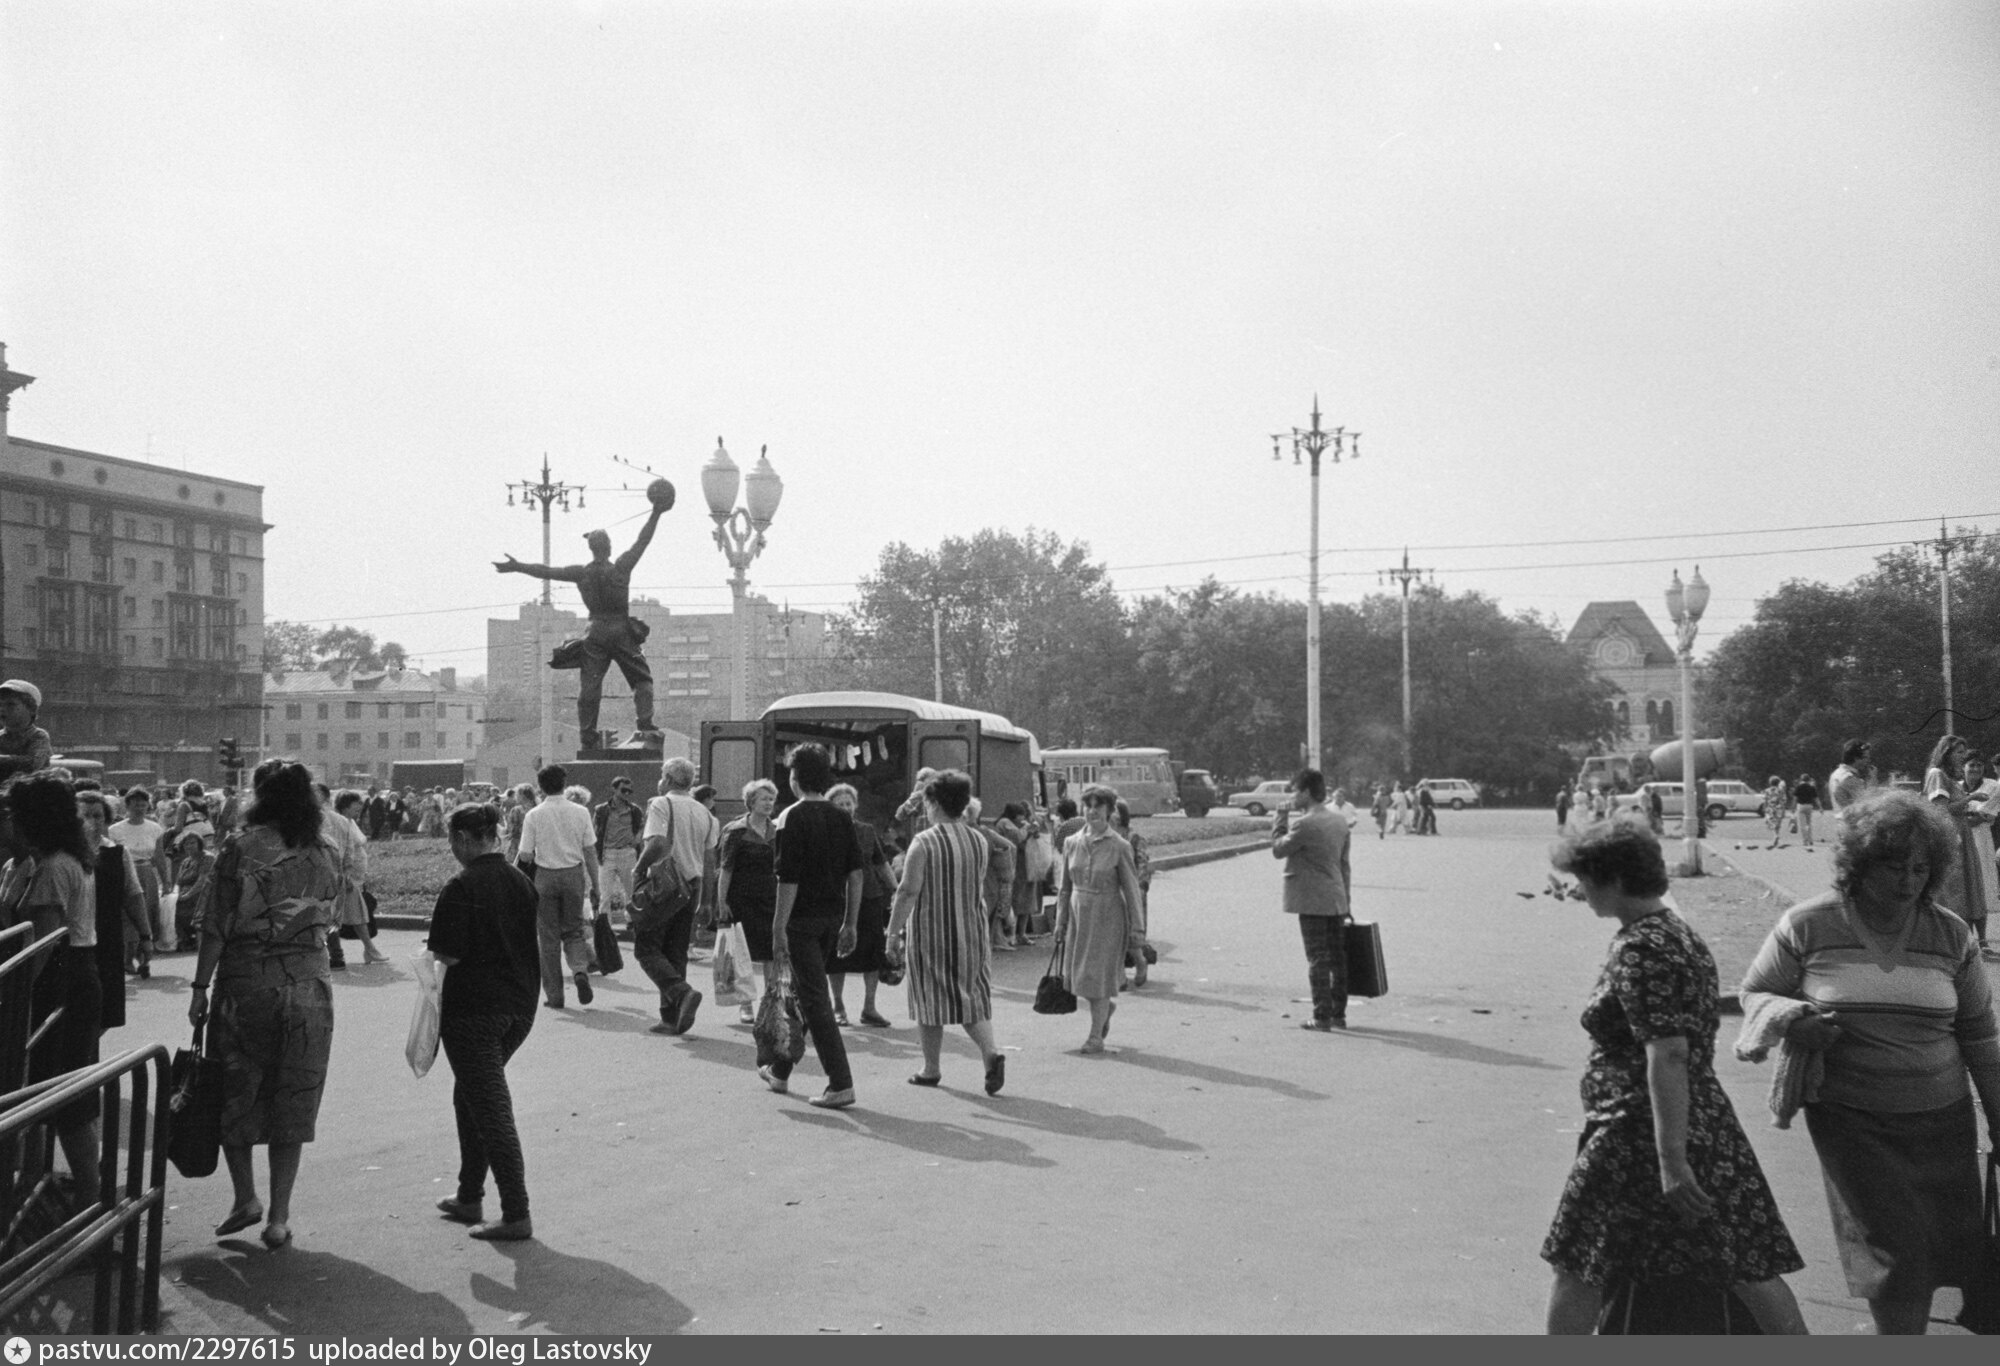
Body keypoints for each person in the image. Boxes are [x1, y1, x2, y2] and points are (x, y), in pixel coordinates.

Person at [1739, 789, 2000, 1333]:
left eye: (1920, 869)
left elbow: (1980, 1037)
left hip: (1942, 1124)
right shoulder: (1808, 924)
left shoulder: (1951, 934)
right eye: (1893, 866)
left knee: (1934, 1254)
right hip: (1852, 1123)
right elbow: (1756, 991)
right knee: (1895, 1253)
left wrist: (1999, 1119)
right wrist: (1792, 1018)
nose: (1908, 882)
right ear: (1859, 862)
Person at [1541, 819, 1808, 1334]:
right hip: (1695, 1123)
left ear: (1615, 879)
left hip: (1634, 1131)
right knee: (1743, 1261)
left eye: (1586, 878)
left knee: (1578, 1259)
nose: (1580, 890)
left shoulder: (1642, 948)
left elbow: (1668, 1053)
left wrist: (1671, 1159)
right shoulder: (1675, 934)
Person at [187, 759, 342, 1250]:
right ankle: (279, 1217)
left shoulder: (240, 847)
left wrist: (199, 988)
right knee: (293, 1097)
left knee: (236, 1089)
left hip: (246, 986)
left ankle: (244, 1198)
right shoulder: (327, 850)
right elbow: (332, 916)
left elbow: (215, 926)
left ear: (259, 796)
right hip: (311, 989)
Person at [429, 802, 541, 1242]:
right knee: (471, 1096)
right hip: (520, 1008)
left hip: (474, 1011)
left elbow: (448, 954)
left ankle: (516, 1212)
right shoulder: (521, 881)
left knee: (491, 1109)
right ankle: (469, 1194)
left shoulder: (461, 886)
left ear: (461, 838)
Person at [0, 776, 105, 1208]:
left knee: (65, 1098)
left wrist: (13, 997)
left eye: (13, 813)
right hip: (76, 975)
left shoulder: (53, 868)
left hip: (61, 981)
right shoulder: (61, 860)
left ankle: (90, 1200)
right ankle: (37, 1185)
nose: (8, 821)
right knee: (54, 1091)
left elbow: (41, 949)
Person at [493, 495, 670, 751]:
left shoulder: (582, 573)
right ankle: (645, 724)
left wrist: (517, 566)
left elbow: (546, 571)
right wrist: (656, 513)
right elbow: (642, 540)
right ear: (609, 547)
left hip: (595, 633)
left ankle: (588, 737)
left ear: (592, 548)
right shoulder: (621, 568)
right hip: (621, 631)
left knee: (590, 687)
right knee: (643, 680)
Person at [887, 770, 1005, 1094]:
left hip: (932, 933)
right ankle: (990, 1052)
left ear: (935, 803)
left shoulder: (924, 842)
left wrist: (893, 933)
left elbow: (907, 891)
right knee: (971, 997)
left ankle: (931, 1068)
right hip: (972, 932)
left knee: (929, 1001)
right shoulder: (978, 840)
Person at [762, 743, 862, 1109]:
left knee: (815, 1000)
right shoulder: (842, 817)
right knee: (807, 993)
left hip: (801, 920)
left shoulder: (791, 817)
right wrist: (850, 922)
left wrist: (778, 928)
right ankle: (779, 1070)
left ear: (795, 778)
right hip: (832, 919)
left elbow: (787, 879)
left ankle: (841, 1082)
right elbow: (856, 874)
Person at [1055, 784, 1145, 1054]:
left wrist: (1138, 929)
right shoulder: (1072, 843)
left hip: (1107, 916)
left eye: (1098, 806)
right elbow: (1064, 888)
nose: (1092, 811)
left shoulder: (1120, 846)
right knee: (1078, 977)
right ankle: (1106, 1008)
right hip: (1078, 916)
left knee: (1099, 976)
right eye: (1088, 806)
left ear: (1109, 810)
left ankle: (1095, 1037)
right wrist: (1060, 921)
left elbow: (1132, 890)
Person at [631, 756, 719, 1035]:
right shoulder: (706, 813)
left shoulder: (661, 804)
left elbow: (658, 843)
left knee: (646, 949)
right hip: (691, 888)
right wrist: (707, 901)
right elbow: (709, 862)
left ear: (668, 779)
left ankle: (681, 994)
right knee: (675, 951)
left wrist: (638, 868)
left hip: (664, 886)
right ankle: (671, 1017)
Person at [515, 764, 601, 1010]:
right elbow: (590, 851)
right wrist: (596, 885)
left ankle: (555, 996)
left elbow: (525, 854)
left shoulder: (534, 815)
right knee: (574, 931)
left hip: (545, 876)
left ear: (540, 787)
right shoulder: (581, 812)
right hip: (573, 874)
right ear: (564, 784)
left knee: (548, 937)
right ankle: (580, 970)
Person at [1272, 769, 1352, 1031]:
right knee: (1337, 958)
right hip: (1336, 898)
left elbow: (1278, 849)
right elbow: (1344, 864)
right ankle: (1338, 1014)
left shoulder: (1304, 824)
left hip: (1312, 900)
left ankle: (1321, 1016)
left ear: (1306, 792)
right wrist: (1347, 900)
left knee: (1317, 957)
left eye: (1295, 791)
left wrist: (1280, 817)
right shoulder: (1339, 821)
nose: (1292, 796)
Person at [827, 783, 895, 1028]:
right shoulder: (826, 831)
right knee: (837, 955)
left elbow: (881, 863)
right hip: (837, 899)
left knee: (873, 953)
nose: (846, 807)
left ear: (855, 805)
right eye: (840, 804)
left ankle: (869, 1007)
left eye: (849, 803)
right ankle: (838, 1006)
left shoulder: (866, 830)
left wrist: (896, 889)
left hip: (870, 897)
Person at [77, 790, 146, 1017]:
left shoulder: (117, 853)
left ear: (106, 819)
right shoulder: (68, 855)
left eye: (97, 816)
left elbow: (133, 894)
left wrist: (146, 936)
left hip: (108, 939)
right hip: (77, 943)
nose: (92, 821)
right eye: (85, 815)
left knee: (108, 1010)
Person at [719, 778, 782, 1024]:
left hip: (770, 897)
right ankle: (745, 1004)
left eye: (771, 799)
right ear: (751, 802)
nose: (769, 803)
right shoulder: (736, 831)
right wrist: (721, 901)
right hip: (741, 897)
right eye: (764, 799)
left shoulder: (777, 830)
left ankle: (770, 1003)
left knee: (771, 953)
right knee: (741, 954)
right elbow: (726, 868)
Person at [1926, 736, 1995, 954]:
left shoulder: (1949, 777)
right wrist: (1970, 798)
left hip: (1963, 835)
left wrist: (1969, 808)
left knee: (1971, 887)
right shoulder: (1937, 774)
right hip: (1950, 838)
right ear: (1946, 753)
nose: (1962, 756)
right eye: (1958, 752)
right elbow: (1941, 809)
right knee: (1954, 889)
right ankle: (1951, 942)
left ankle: (1974, 941)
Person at [324, 789, 388, 968]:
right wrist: (347, 874)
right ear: (345, 806)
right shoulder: (338, 823)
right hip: (347, 877)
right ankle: (362, 950)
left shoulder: (351, 822)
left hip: (355, 877)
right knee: (353, 914)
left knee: (354, 914)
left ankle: (364, 950)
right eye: (355, 805)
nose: (359, 808)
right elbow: (342, 849)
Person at [109, 786, 169, 977]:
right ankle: (127, 960)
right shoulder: (115, 830)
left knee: (148, 915)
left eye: (143, 805)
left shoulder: (154, 828)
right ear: (127, 806)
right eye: (135, 805)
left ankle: (145, 961)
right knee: (129, 917)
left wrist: (166, 882)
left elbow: (159, 857)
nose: (140, 808)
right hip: (125, 874)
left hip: (147, 873)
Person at [1111, 799, 1153, 988]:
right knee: (1113, 936)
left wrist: (1139, 889)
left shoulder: (1134, 838)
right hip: (1110, 891)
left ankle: (1140, 962)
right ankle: (1119, 976)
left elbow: (1143, 865)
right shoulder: (1105, 836)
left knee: (1131, 937)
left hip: (1131, 892)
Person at [594, 776, 644, 922]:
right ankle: (605, 925)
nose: (627, 793)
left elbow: (641, 826)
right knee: (605, 895)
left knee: (631, 893)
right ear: (614, 789)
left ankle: (631, 922)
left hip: (627, 853)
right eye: (623, 790)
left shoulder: (635, 810)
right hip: (607, 854)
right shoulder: (601, 810)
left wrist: (637, 838)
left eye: (629, 791)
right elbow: (595, 830)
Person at [0, 678, 54, 782]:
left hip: (31, 789)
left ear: (31, 709)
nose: (2, 709)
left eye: (11, 704)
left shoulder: (38, 736)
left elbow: (33, 763)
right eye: (0, 704)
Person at [1828, 739, 1872, 813]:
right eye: (1866, 757)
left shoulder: (1836, 773)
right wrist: (1872, 779)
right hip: (1852, 819)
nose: (1868, 760)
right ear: (1856, 758)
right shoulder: (1849, 778)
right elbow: (1868, 803)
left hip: (1840, 818)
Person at [1791, 773, 1820, 851]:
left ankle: (1805, 840)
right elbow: (1816, 798)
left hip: (1801, 806)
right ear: (1809, 780)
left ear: (1801, 779)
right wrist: (1820, 807)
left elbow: (1795, 798)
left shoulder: (1798, 787)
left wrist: (1793, 807)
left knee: (1802, 825)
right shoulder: (1812, 787)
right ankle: (1810, 839)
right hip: (1809, 806)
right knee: (1809, 823)